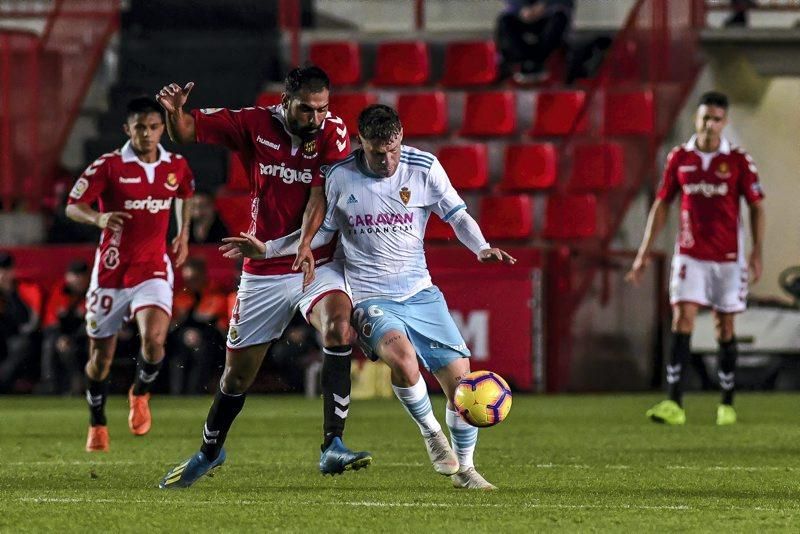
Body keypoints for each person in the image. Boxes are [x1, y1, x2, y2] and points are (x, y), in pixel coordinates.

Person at [223, 104, 516, 490]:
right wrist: (270, 250)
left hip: (420, 291)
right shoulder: (340, 176)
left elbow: (456, 214)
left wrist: (480, 247)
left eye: (393, 148)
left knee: (462, 384)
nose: (388, 159)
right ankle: (431, 434)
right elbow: (319, 234)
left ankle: (466, 468)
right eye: (378, 152)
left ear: (401, 137)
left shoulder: (424, 168)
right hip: (368, 295)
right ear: (361, 142)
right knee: (404, 360)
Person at [155, 66, 370, 489]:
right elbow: (185, 133)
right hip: (263, 270)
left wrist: (306, 244)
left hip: (316, 260)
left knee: (338, 328)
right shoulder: (253, 123)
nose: (315, 119)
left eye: (322, 109)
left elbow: (318, 195)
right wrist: (175, 112)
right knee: (236, 377)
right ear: (285, 102)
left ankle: (333, 445)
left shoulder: (333, 131)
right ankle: (210, 450)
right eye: (307, 110)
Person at [626, 91, 765, 426]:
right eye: (705, 117)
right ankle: (674, 403)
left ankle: (727, 403)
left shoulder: (738, 160)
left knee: (724, 326)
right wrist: (643, 253)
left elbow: (757, 206)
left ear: (724, 122)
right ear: (696, 119)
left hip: (729, 258)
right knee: (682, 318)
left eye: (716, 119)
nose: (709, 124)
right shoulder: (679, 158)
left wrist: (756, 252)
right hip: (690, 255)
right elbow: (662, 205)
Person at [65, 97, 195, 451]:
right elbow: (73, 205)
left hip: (153, 268)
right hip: (110, 273)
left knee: (154, 342)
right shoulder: (108, 166)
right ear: (128, 129)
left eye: (154, 127)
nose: (148, 134)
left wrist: (183, 235)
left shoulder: (177, 165)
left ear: (161, 129)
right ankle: (97, 421)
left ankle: (140, 392)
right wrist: (99, 218)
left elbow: (184, 195)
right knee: (100, 359)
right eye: (140, 127)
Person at [167, 256, 227, 394]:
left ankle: (195, 393)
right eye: (187, 279)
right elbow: (174, 325)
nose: (190, 283)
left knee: (202, 352)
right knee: (177, 354)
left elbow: (219, 326)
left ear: (202, 276)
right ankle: (176, 394)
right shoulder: (182, 297)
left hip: (210, 341)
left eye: (194, 278)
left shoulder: (215, 294)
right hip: (182, 341)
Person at [38, 260, 91, 395]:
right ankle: (50, 385)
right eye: (74, 275)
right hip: (60, 337)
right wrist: (60, 337)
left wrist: (71, 338)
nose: (78, 279)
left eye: (81, 275)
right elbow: (50, 320)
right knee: (49, 345)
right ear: (67, 276)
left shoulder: (92, 294)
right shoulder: (59, 291)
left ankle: (79, 384)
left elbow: (92, 322)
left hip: (84, 337)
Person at [495, 0, 574, 83]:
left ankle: (536, 62)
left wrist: (543, 6)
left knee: (559, 18)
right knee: (505, 21)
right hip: (522, 16)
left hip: (549, 16)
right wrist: (522, 8)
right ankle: (524, 62)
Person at [0, 252, 42, 393]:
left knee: (21, 346)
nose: (2, 275)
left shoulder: (25, 289)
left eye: (6, 270)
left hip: (19, 336)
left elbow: (32, 322)